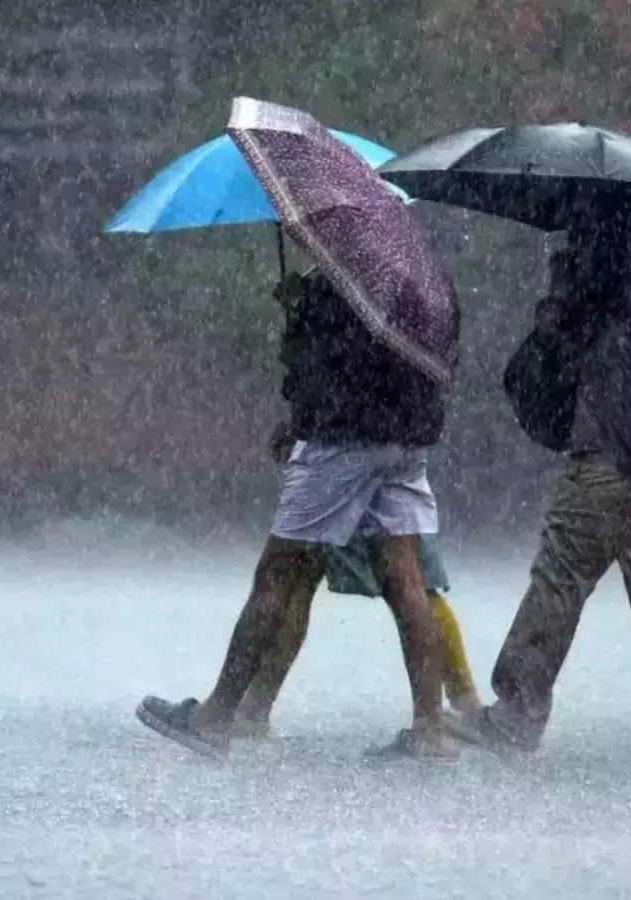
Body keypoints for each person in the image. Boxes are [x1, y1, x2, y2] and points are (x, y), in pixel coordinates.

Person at [136, 266, 459, 761]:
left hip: (344, 439)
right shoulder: (424, 278)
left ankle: (217, 715)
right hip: (409, 439)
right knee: (406, 578)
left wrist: (301, 311)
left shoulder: (340, 277)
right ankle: (430, 730)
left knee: (279, 572)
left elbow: (322, 370)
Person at [451, 201, 631, 763]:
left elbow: (546, 352)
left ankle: (514, 716)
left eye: (581, 229)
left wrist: (560, 294)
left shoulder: (603, 282)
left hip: (613, 460)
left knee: (559, 576)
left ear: (599, 233)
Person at [229, 424, 482, 738]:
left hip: (345, 438)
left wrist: (304, 418)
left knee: (297, 575)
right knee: (414, 584)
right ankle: (458, 708)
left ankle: (252, 708)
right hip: (400, 434)